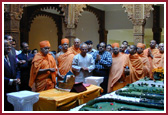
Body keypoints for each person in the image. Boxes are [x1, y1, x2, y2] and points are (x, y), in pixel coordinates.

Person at [4, 40, 21, 111]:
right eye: (6, 46)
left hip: (13, 88)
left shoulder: (12, 57)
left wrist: (18, 78)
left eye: (9, 46)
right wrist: (10, 80)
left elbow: (17, 69)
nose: (9, 48)